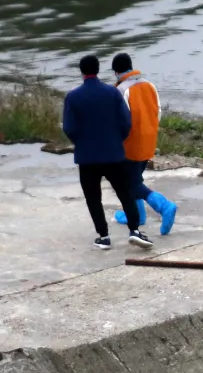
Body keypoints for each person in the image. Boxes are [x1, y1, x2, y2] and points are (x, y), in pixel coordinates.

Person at [62, 55, 153, 250]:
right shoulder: (112, 93)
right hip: (114, 153)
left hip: (87, 157)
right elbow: (125, 122)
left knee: (93, 197)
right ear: (98, 69)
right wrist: (116, 140)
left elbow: (69, 128)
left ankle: (103, 236)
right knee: (125, 191)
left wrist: (81, 142)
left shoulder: (73, 97)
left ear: (82, 72)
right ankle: (135, 230)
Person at [110, 52, 177, 235]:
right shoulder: (150, 85)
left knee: (129, 184)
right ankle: (137, 216)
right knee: (134, 179)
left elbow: (122, 121)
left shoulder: (121, 90)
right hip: (148, 141)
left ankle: (164, 207)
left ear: (116, 71)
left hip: (130, 145)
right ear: (131, 67)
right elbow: (159, 112)